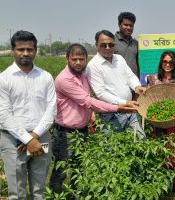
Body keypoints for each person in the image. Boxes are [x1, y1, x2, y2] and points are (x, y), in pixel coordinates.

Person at [49, 43, 140, 193]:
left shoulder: (83, 75)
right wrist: (118, 107)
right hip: (65, 133)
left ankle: (75, 195)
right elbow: (87, 101)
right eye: (74, 59)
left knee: (78, 170)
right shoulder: (63, 79)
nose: (78, 63)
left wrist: (90, 114)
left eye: (82, 59)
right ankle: (55, 195)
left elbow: (87, 98)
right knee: (61, 170)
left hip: (81, 131)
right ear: (67, 58)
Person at [0, 31, 56, 199]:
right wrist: (28, 139)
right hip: (12, 140)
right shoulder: (4, 79)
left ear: (36, 50)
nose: (25, 53)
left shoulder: (45, 77)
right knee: (17, 191)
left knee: (39, 189)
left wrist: (35, 136)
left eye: (29, 49)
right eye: (20, 49)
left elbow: (51, 109)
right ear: (12, 51)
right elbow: (4, 115)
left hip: (41, 137)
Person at [87, 30, 146, 137]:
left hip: (130, 110)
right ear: (96, 45)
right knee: (114, 148)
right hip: (111, 115)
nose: (108, 48)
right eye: (103, 45)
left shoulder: (119, 59)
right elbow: (101, 93)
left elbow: (130, 76)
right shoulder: (93, 66)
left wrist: (137, 87)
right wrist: (124, 102)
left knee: (140, 141)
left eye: (111, 44)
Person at [147, 50, 175, 165]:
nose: (167, 64)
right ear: (161, 63)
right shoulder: (153, 78)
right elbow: (150, 98)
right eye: (165, 61)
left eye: (171, 62)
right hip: (158, 120)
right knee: (160, 147)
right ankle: (162, 176)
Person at [114, 12, 139, 77]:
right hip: (117, 81)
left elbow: (138, 63)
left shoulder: (136, 43)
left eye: (131, 26)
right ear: (119, 25)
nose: (128, 28)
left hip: (134, 83)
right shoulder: (112, 42)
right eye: (125, 25)